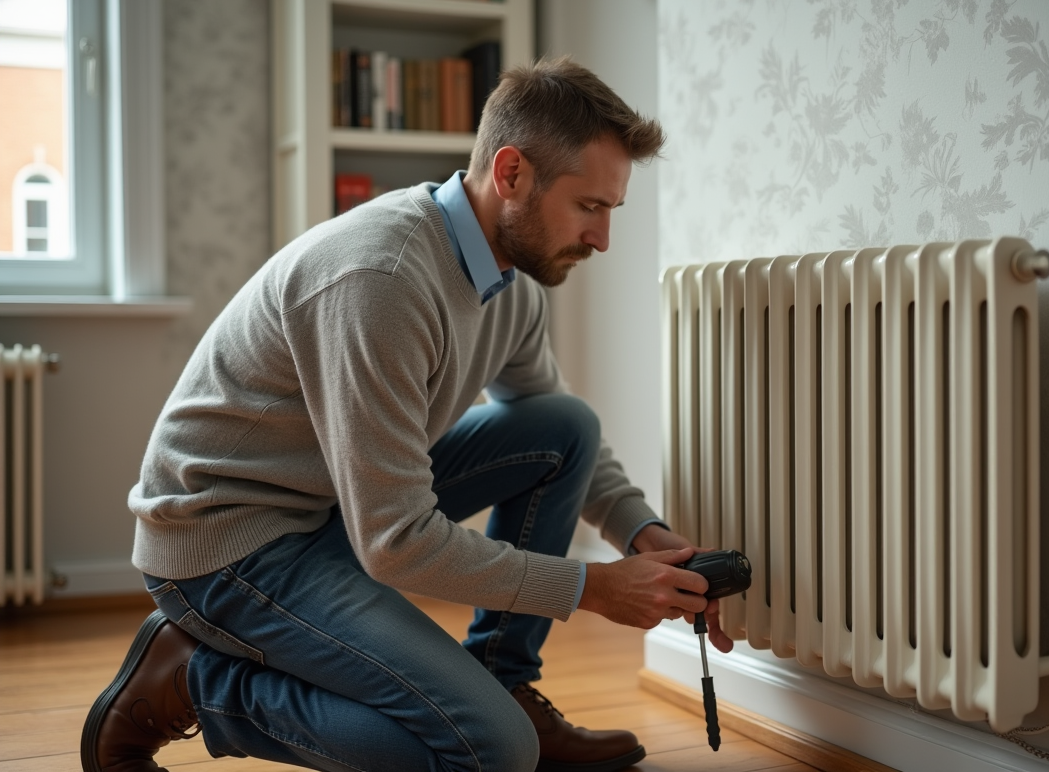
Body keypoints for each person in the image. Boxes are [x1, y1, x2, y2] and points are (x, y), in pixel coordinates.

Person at [81, 57, 732, 772]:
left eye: (612, 210)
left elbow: (552, 429)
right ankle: (198, 684)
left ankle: (505, 685)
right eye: (589, 207)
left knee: (563, 425)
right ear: (512, 173)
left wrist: (641, 534)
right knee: (492, 754)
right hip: (227, 544)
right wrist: (591, 587)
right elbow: (395, 542)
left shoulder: (509, 284)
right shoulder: (382, 278)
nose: (603, 238)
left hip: (331, 508)